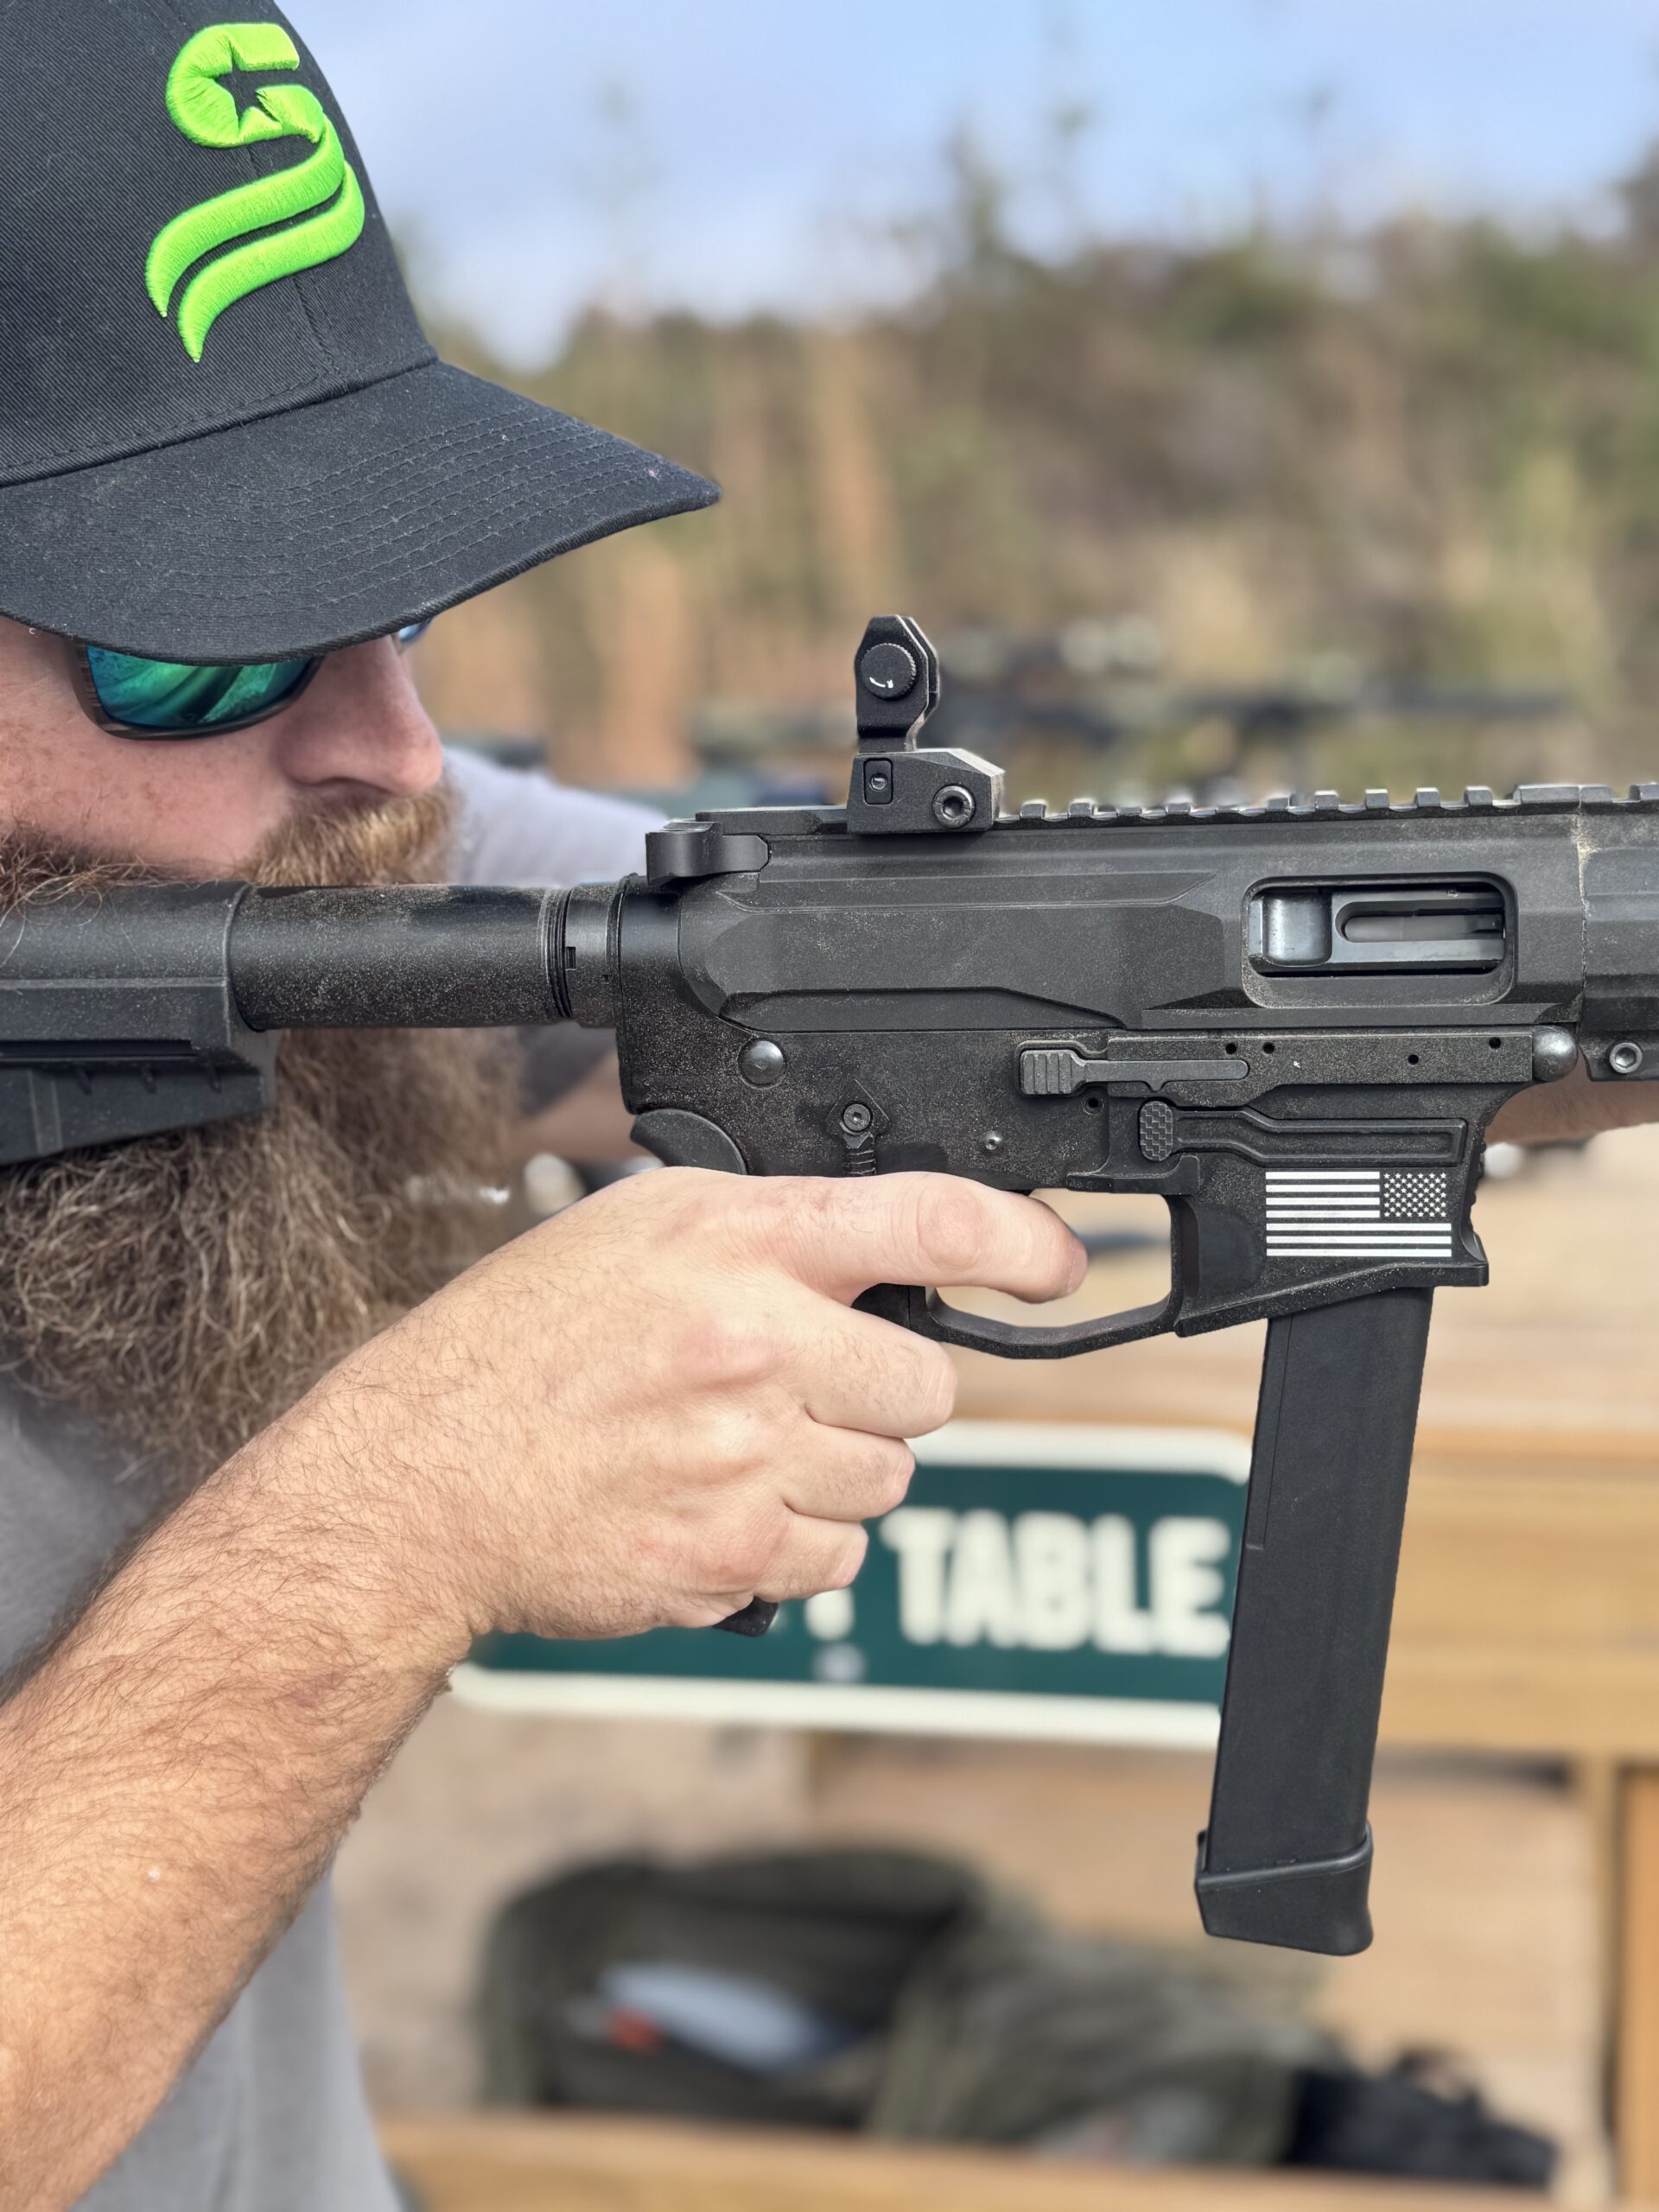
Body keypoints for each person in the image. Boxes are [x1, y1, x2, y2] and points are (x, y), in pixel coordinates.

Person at [0, 9, 1637, 2210]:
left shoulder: (256, 852)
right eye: (201, 649)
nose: (397, 753)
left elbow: (822, 962)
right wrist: (388, 1527)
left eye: (393, 609)